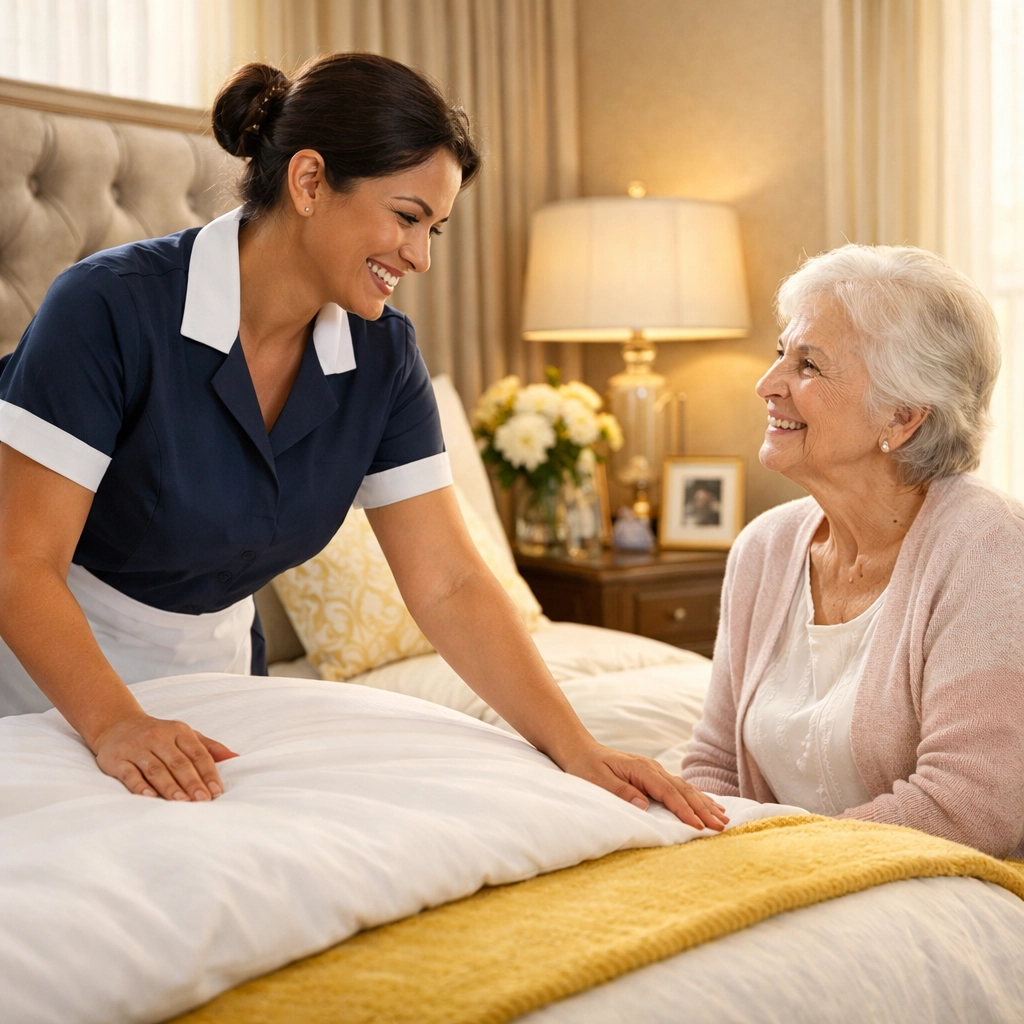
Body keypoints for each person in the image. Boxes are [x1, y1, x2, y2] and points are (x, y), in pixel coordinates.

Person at [0, 53, 726, 831]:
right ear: (310, 182)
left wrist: (577, 749)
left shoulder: (383, 356)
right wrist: (116, 725)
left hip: (225, 680)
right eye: (408, 217)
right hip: (53, 683)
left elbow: (448, 582)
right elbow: (19, 562)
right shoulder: (109, 308)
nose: (421, 256)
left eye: (434, 229)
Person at [681, 244, 1024, 858]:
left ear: (901, 417)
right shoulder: (764, 547)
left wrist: (783, 858)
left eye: (808, 365)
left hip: (943, 885)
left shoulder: (990, 550)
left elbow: (972, 805)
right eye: (780, 354)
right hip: (790, 871)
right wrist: (716, 857)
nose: (767, 384)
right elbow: (715, 764)